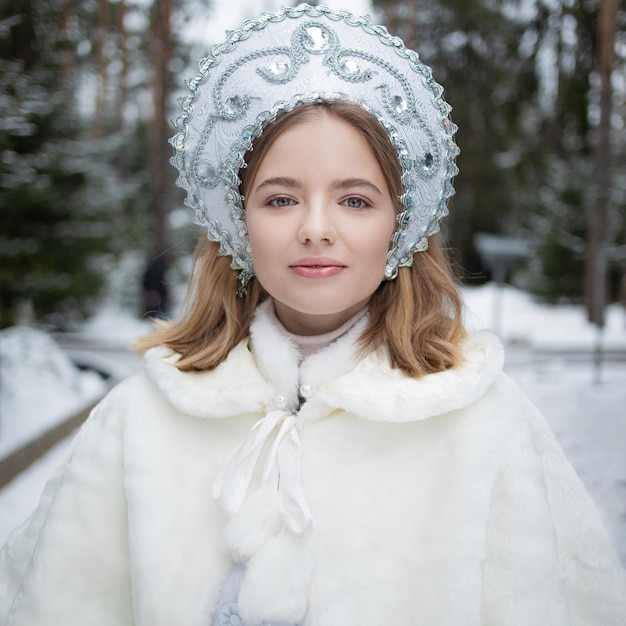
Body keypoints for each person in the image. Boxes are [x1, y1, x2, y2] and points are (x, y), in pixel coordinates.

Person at [1, 4, 625, 625]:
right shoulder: (141, 420)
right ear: (239, 221)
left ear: (400, 227)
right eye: (280, 199)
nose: (316, 229)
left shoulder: (480, 421)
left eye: (355, 199)